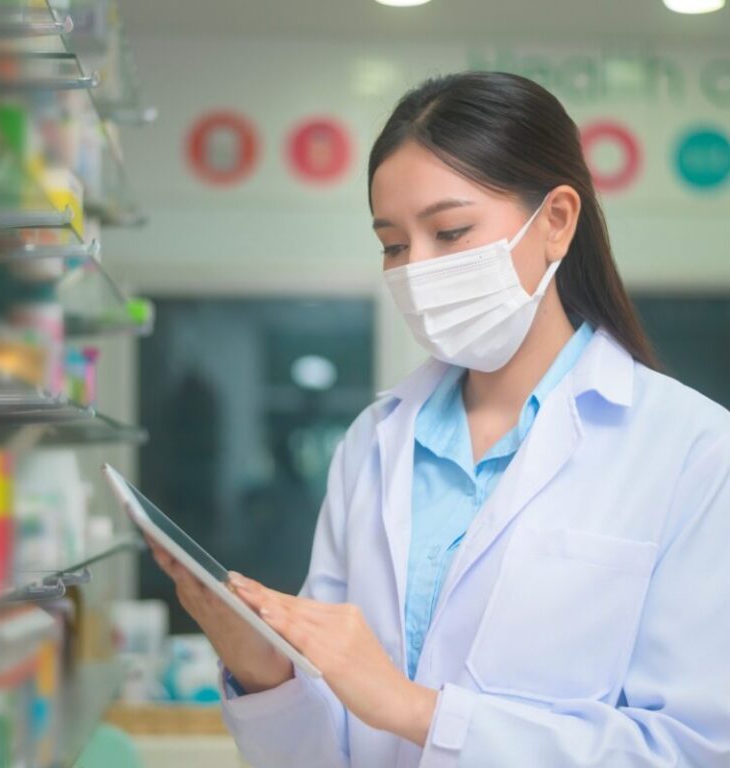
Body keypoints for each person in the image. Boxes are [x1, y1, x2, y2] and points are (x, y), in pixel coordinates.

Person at [149, 72, 730, 767]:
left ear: (556, 221)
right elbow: (322, 751)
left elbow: (691, 750)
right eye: (393, 245)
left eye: (450, 232)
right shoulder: (374, 444)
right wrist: (266, 673)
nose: (417, 271)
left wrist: (416, 710)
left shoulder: (690, 450)